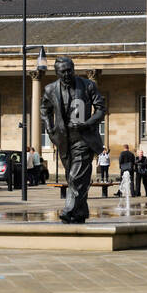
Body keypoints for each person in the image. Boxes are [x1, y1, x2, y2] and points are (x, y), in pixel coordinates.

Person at [40, 56, 107, 224]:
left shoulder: (88, 85)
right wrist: (50, 129)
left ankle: (69, 209)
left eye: (70, 70)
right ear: (57, 73)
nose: (67, 74)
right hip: (63, 140)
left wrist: (88, 123)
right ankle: (80, 212)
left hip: (84, 138)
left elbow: (100, 109)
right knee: (78, 178)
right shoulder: (50, 89)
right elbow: (44, 110)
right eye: (63, 71)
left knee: (74, 177)